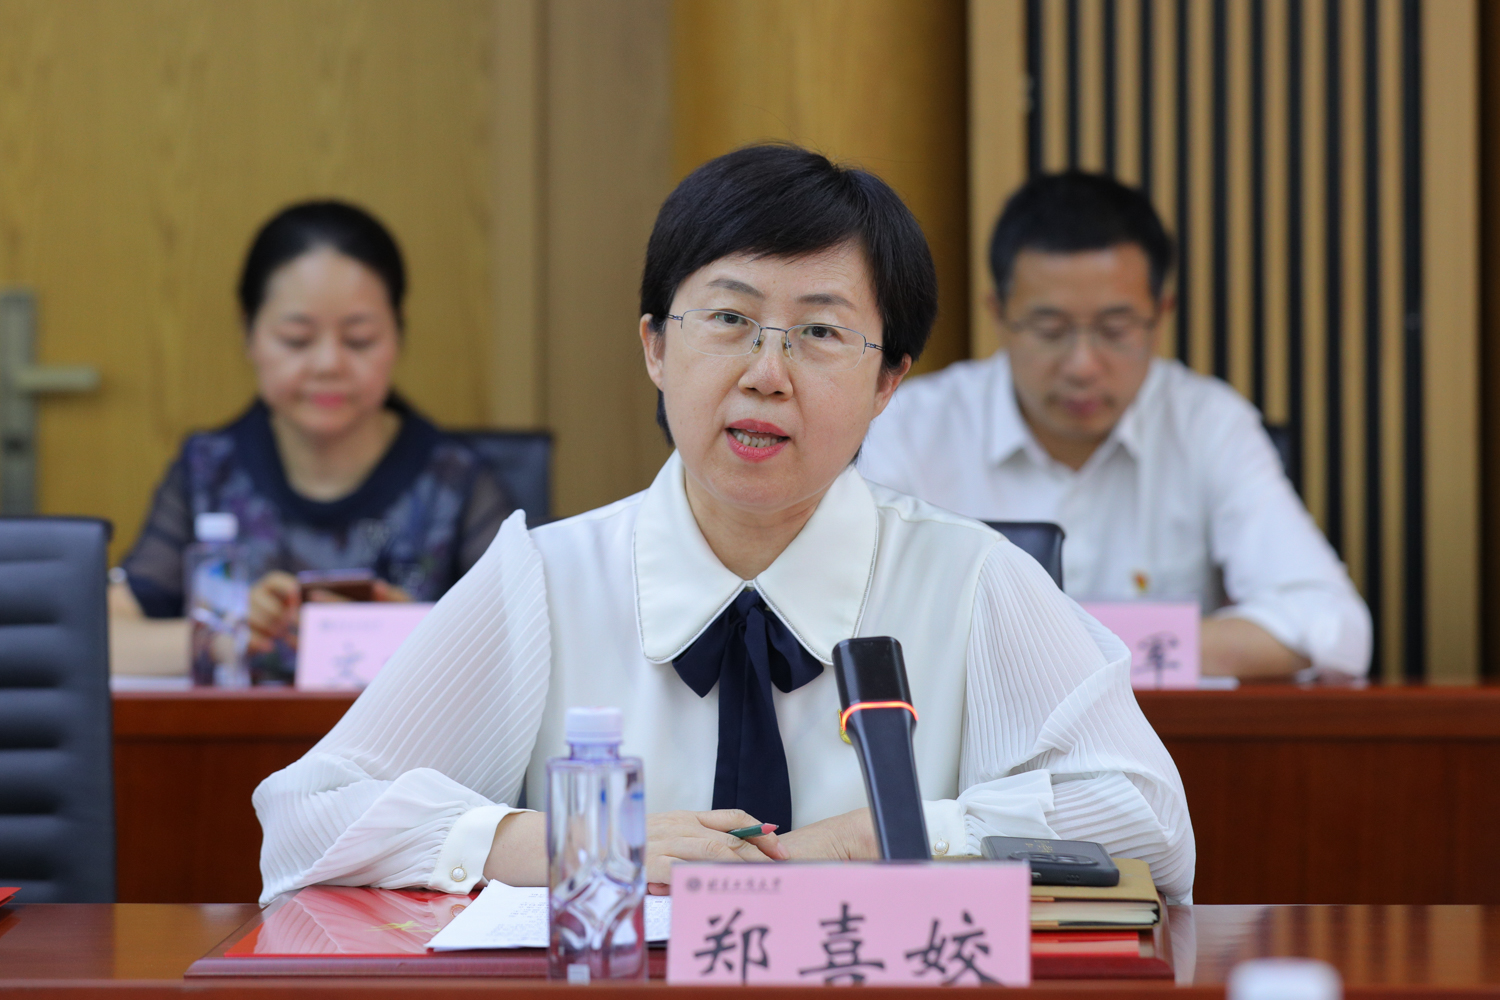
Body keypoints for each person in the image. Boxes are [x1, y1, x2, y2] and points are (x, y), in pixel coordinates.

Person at [254, 145, 1194, 906]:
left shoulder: (975, 580)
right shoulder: (543, 581)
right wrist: (580, 842)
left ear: (888, 382)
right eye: (730, 319)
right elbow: (305, 818)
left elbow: (1150, 823)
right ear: (656, 347)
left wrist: (894, 836)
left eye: (820, 333)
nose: (766, 374)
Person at [859, 172, 1370, 680]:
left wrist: (1072, 644)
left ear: (1160, 315)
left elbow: (1334, 625)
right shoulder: (908, 427)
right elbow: (852, 612)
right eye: (1050, 329)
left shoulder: (1208, 424)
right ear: (999, 313)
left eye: (1115, 329)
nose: (1082, 365)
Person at [114, 201, 513, 675]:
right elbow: (105, 637)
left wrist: (417, 633)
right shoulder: (207, 470)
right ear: (249, 332)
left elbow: (530, 641)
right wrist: (227, 636)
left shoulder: (455, 482)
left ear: (398, 333)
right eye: (297, 339)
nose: (328, 364)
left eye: (359, 339)